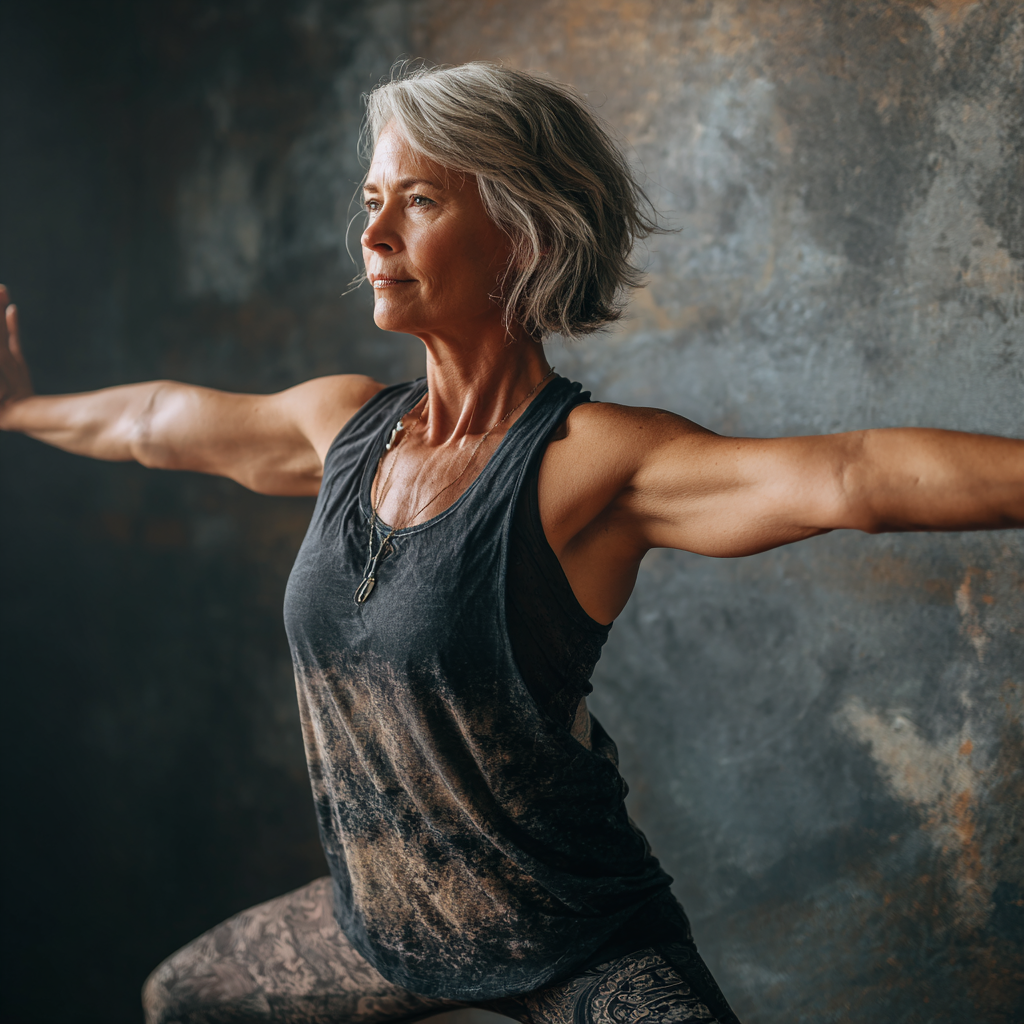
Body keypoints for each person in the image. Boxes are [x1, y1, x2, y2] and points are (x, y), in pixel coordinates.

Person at [1, 61, 1021, 1024]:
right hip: (385, 928)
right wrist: (19, 411)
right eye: (370, 201)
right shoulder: (344, 426)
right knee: (184, 999)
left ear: (523, 235)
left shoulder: (591, 464)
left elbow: (852, 476)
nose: (374, 235)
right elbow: (153, 424)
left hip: (566, 936)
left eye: (421, 201)